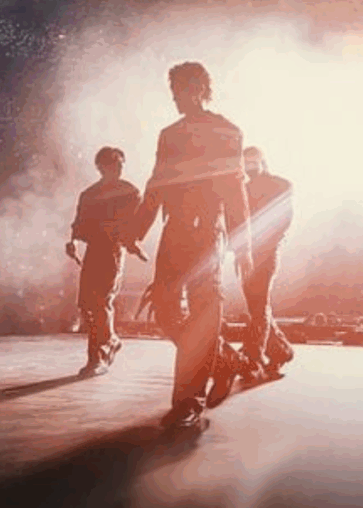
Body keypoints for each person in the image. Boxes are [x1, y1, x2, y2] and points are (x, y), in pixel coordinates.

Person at [127, 62, 254, 431]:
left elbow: (235, 188)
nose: (174, 96)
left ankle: (188, 401)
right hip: (174, 232)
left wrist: (242, 241)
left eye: (180, 88)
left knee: (203, 312)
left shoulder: (227, 131)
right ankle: (224, 360)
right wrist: (137, 230)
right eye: (172, 88)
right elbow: (156, 183)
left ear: (199, 89)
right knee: (164, 308)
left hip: (207, 234)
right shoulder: (169, 134)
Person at [66, 146, 142, 377]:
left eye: (121, 164)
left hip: (113, 252)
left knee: (100, 303)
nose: (118, 169)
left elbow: (134, 224)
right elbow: (79, 224)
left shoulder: (130, 192)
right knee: (88, 304)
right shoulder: (89, 194)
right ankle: (110, 340)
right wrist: (74, 243)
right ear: (101, 167)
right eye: (113, 165)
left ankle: (97, 357)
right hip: (94, 252)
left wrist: (132, 242)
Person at [239, 146, 295, 378]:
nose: (249, 167)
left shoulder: (281, 185)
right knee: (256, 305)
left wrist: (268, 246)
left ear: (263, 161)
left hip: (267, 252)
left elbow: (284, 219)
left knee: (258, 304)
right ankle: (280, 350)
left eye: (253, 162)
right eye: (246, 164)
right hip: (248, 253)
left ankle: (253, 357)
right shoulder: (241, 188)